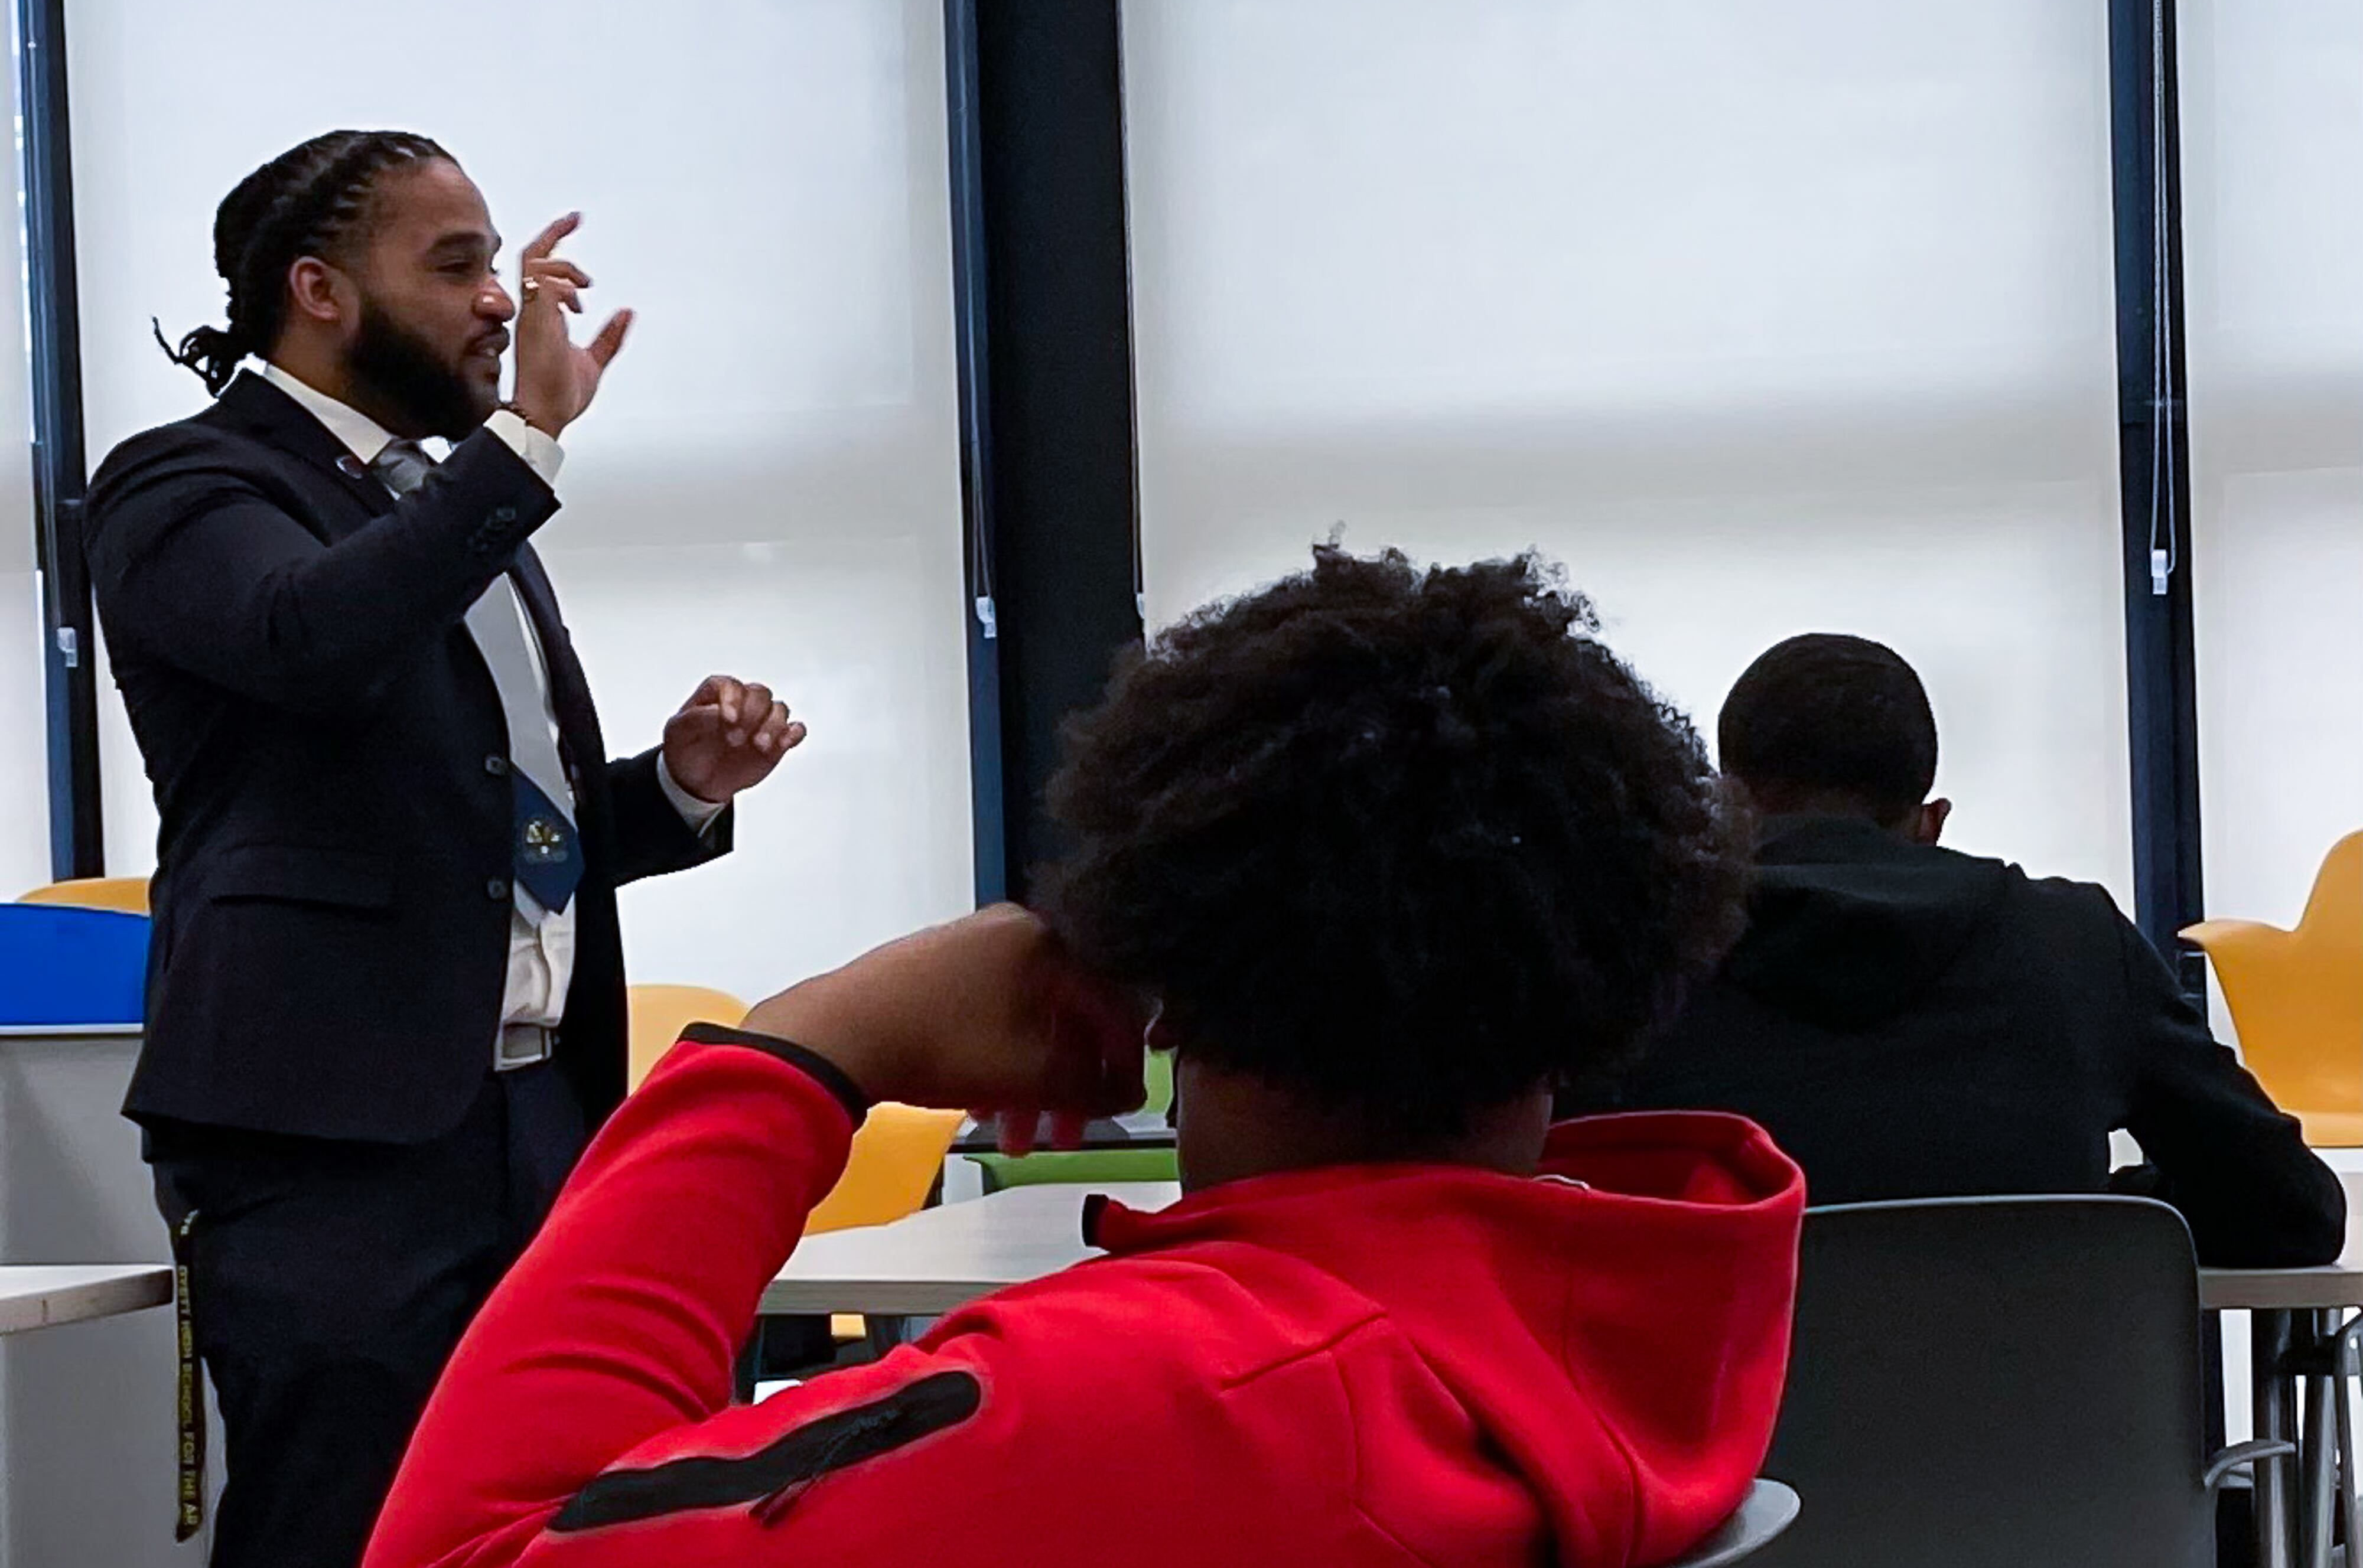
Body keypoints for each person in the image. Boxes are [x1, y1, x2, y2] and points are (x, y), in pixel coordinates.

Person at [362, 549, 1804, 1568]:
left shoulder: (1171, 1401)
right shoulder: (1616, 1316)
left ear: (1163, 962)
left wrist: (811, 1042)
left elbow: (468, 1546)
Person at [83, 129, 806, 1568]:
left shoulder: (443, 506)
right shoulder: (185, 484)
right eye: (457, 262)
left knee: (544, 1514)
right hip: (330, 1133)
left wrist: (672, 789)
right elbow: (308, 639)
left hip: (533, 1109)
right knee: (341, 1520)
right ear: (320, 291)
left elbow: (497, 833)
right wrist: (524, 445)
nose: (499, 297)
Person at [1586, 632, 2342, 1266]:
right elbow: (2291, 1212)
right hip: (2049, 1445)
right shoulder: (2073, 943)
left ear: (1725, 806)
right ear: (1931, 820)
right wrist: (2109, 1209)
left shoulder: (1633, 955)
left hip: (1718, 1446)